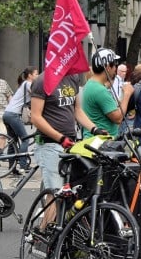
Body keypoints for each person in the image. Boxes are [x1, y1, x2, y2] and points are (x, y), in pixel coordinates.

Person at [29, 68, 99, 229]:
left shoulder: (73, 77)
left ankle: (61, 237)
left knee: (71, 193)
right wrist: (59, 137)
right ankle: (43, 237)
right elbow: (36, 117)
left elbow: (77, 110)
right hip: (50, 144)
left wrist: (95, 129)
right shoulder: (42, 81)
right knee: (56, 194)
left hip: (70, 144)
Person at [82, 48, 134, 137]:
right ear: (108, 67)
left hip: (94, 140)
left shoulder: (91, 84)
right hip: (100, 143)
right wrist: (127, 94)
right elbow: (118, 118)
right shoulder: (100, 90)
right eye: (114, 65)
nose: (115, 69)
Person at [1, 66, 39, 174]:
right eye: (36, 74)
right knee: (25, 139)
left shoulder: (24, 84)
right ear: (30, 75)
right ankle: (23, 166)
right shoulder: (28, 84)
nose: (38, 76)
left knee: (13, 141)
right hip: (13, 115)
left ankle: (11, 168)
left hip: (7, 114)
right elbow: (37, 94)